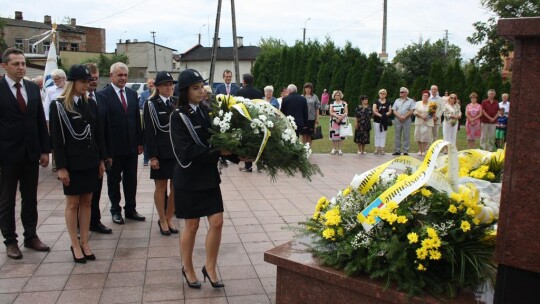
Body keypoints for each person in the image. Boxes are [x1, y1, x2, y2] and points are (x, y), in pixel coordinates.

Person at [170, 68, 242, 289]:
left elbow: (218, 139)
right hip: (189, 177)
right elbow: (187, 151)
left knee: (217, 222)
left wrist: (238, 154)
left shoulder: (206, 110)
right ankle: (188, 267)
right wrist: (220, 153)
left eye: (202, 87)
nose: (201, 91)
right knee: (191, 225)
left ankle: (209, 266)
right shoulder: (178, 116)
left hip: (208, 177)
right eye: (195, 88)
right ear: (184, 91)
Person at [49, 64, 106, 263]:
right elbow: (57, 138)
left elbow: (98, 133)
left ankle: (85, 241)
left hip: (90, 160)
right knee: (73, 203)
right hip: (72, 162)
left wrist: (101, 159)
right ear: (72, 82)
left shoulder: (90, 103)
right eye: (82, 81)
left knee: (88, 201)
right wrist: (61, 167)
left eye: (88, 82)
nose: (85, 85)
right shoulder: (59, 105)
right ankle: (75, 243)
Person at [0, 47, 51, 259]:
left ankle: (31, 236)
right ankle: (10, 241)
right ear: (4, 66)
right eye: (16, 64)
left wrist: (45, 150)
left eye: (23, 63)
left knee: (30, 198)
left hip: (31, 153)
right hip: (7, 155)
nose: (21, 67)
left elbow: (40, 120)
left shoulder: (31, 88)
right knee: (7, 199)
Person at [98, 62, 145, 225]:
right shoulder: (103, 95)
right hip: (114, 148)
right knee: (114, 181)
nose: (123, 78)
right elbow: (102, 124)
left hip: (131, 146)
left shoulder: (132, 94)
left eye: (125, 75)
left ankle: (130, 209)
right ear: (111, 76)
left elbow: (136, 120)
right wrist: (105, 151)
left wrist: (140, 142)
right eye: (119, 75)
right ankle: (115, 210)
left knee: (131, 180)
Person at [143, 72, 178, 236]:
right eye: (165, 85)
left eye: (171, 84)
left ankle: (169, 217)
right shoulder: (151, 104)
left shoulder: (175, 102)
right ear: (157, 87)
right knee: (161, 187)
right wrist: (152, 156)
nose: (169, 88)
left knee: (176, 186)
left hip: (176, 152)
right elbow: (149, 131)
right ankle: (162, 219)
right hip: (161, 152)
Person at [85, 63, 113, 234]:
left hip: (98, 153)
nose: (93, 82)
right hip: (81, 154)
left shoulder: (101, 98)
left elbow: (105, 128)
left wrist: (107, 154)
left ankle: (94, 221)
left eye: (96, 79)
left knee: (96, 190)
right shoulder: (75, 100)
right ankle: (81, 225)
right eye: (90, 79)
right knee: (82, 195)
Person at [236, 74, 264, 172]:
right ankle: (260, 165)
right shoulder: (259, 92)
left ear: (244, 81)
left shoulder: (240, 92)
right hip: (257, 119)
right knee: (258, 141)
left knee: (246, 142)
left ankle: (248, 166)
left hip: (244, 120)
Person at [392, 87, 415, 156]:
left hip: (407, 120)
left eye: (402, 92)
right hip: (397, 120)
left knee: (406, 135)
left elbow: (411, 110)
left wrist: (404, 117)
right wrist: (399, 117)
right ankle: (397, 150)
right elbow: (394, 110)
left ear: (406, 93)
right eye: (400, 92)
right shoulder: (397, 100)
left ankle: (405, 150)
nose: (400, 93)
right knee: (397, 135)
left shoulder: (411, 101)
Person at [139, 78, 155, 166]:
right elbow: (140, 104)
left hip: (156, 120)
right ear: (147, 84)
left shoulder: (157, 92)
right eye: (150, 83)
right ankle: (145, 159)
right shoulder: (143, 94)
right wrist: (148, 104)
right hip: (146, 118)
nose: (151, 84)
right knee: (146, 139)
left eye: (153, 83)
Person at [413, 90, 434, 156]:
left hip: (428, 122)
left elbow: (433, 113)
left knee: (426, 137)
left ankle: (424, 150)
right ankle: (419, 150)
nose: (425, 97)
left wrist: (427, 117)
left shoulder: (432, 104)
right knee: (418, 136)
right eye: (423, 95)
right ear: (422, 96)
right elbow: (415, 112)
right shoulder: (418, 103)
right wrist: (421, 116)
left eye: (426, 96)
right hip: (419, 121)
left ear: (428, 97)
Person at [328, 90, 348, 155]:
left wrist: (341, 117)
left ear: (341, 96)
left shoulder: (344, 103)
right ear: (334, 96)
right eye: (336, 95)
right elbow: (330, 112)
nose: (337, 96)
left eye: (339, 95)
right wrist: (337, 117)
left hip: (342, 121)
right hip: (334, 121)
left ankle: (340, 149)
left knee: (341, 135)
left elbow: (346, 112)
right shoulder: (332, 103)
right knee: (334, 135)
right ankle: (334, 149)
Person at [373, 89, 392, 155]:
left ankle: (382, 149)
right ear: (379, 94)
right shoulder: (376, 102)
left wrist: (384, 115)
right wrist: (381, 115)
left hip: (385, 121)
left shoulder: (388, 102)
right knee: (377, 135)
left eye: (384, 93)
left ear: (386, 94)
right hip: (377, 121)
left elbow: (390, 111)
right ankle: (376, 148)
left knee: (383, 135)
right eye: (381, 93)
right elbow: (374, 111)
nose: (382, 94)